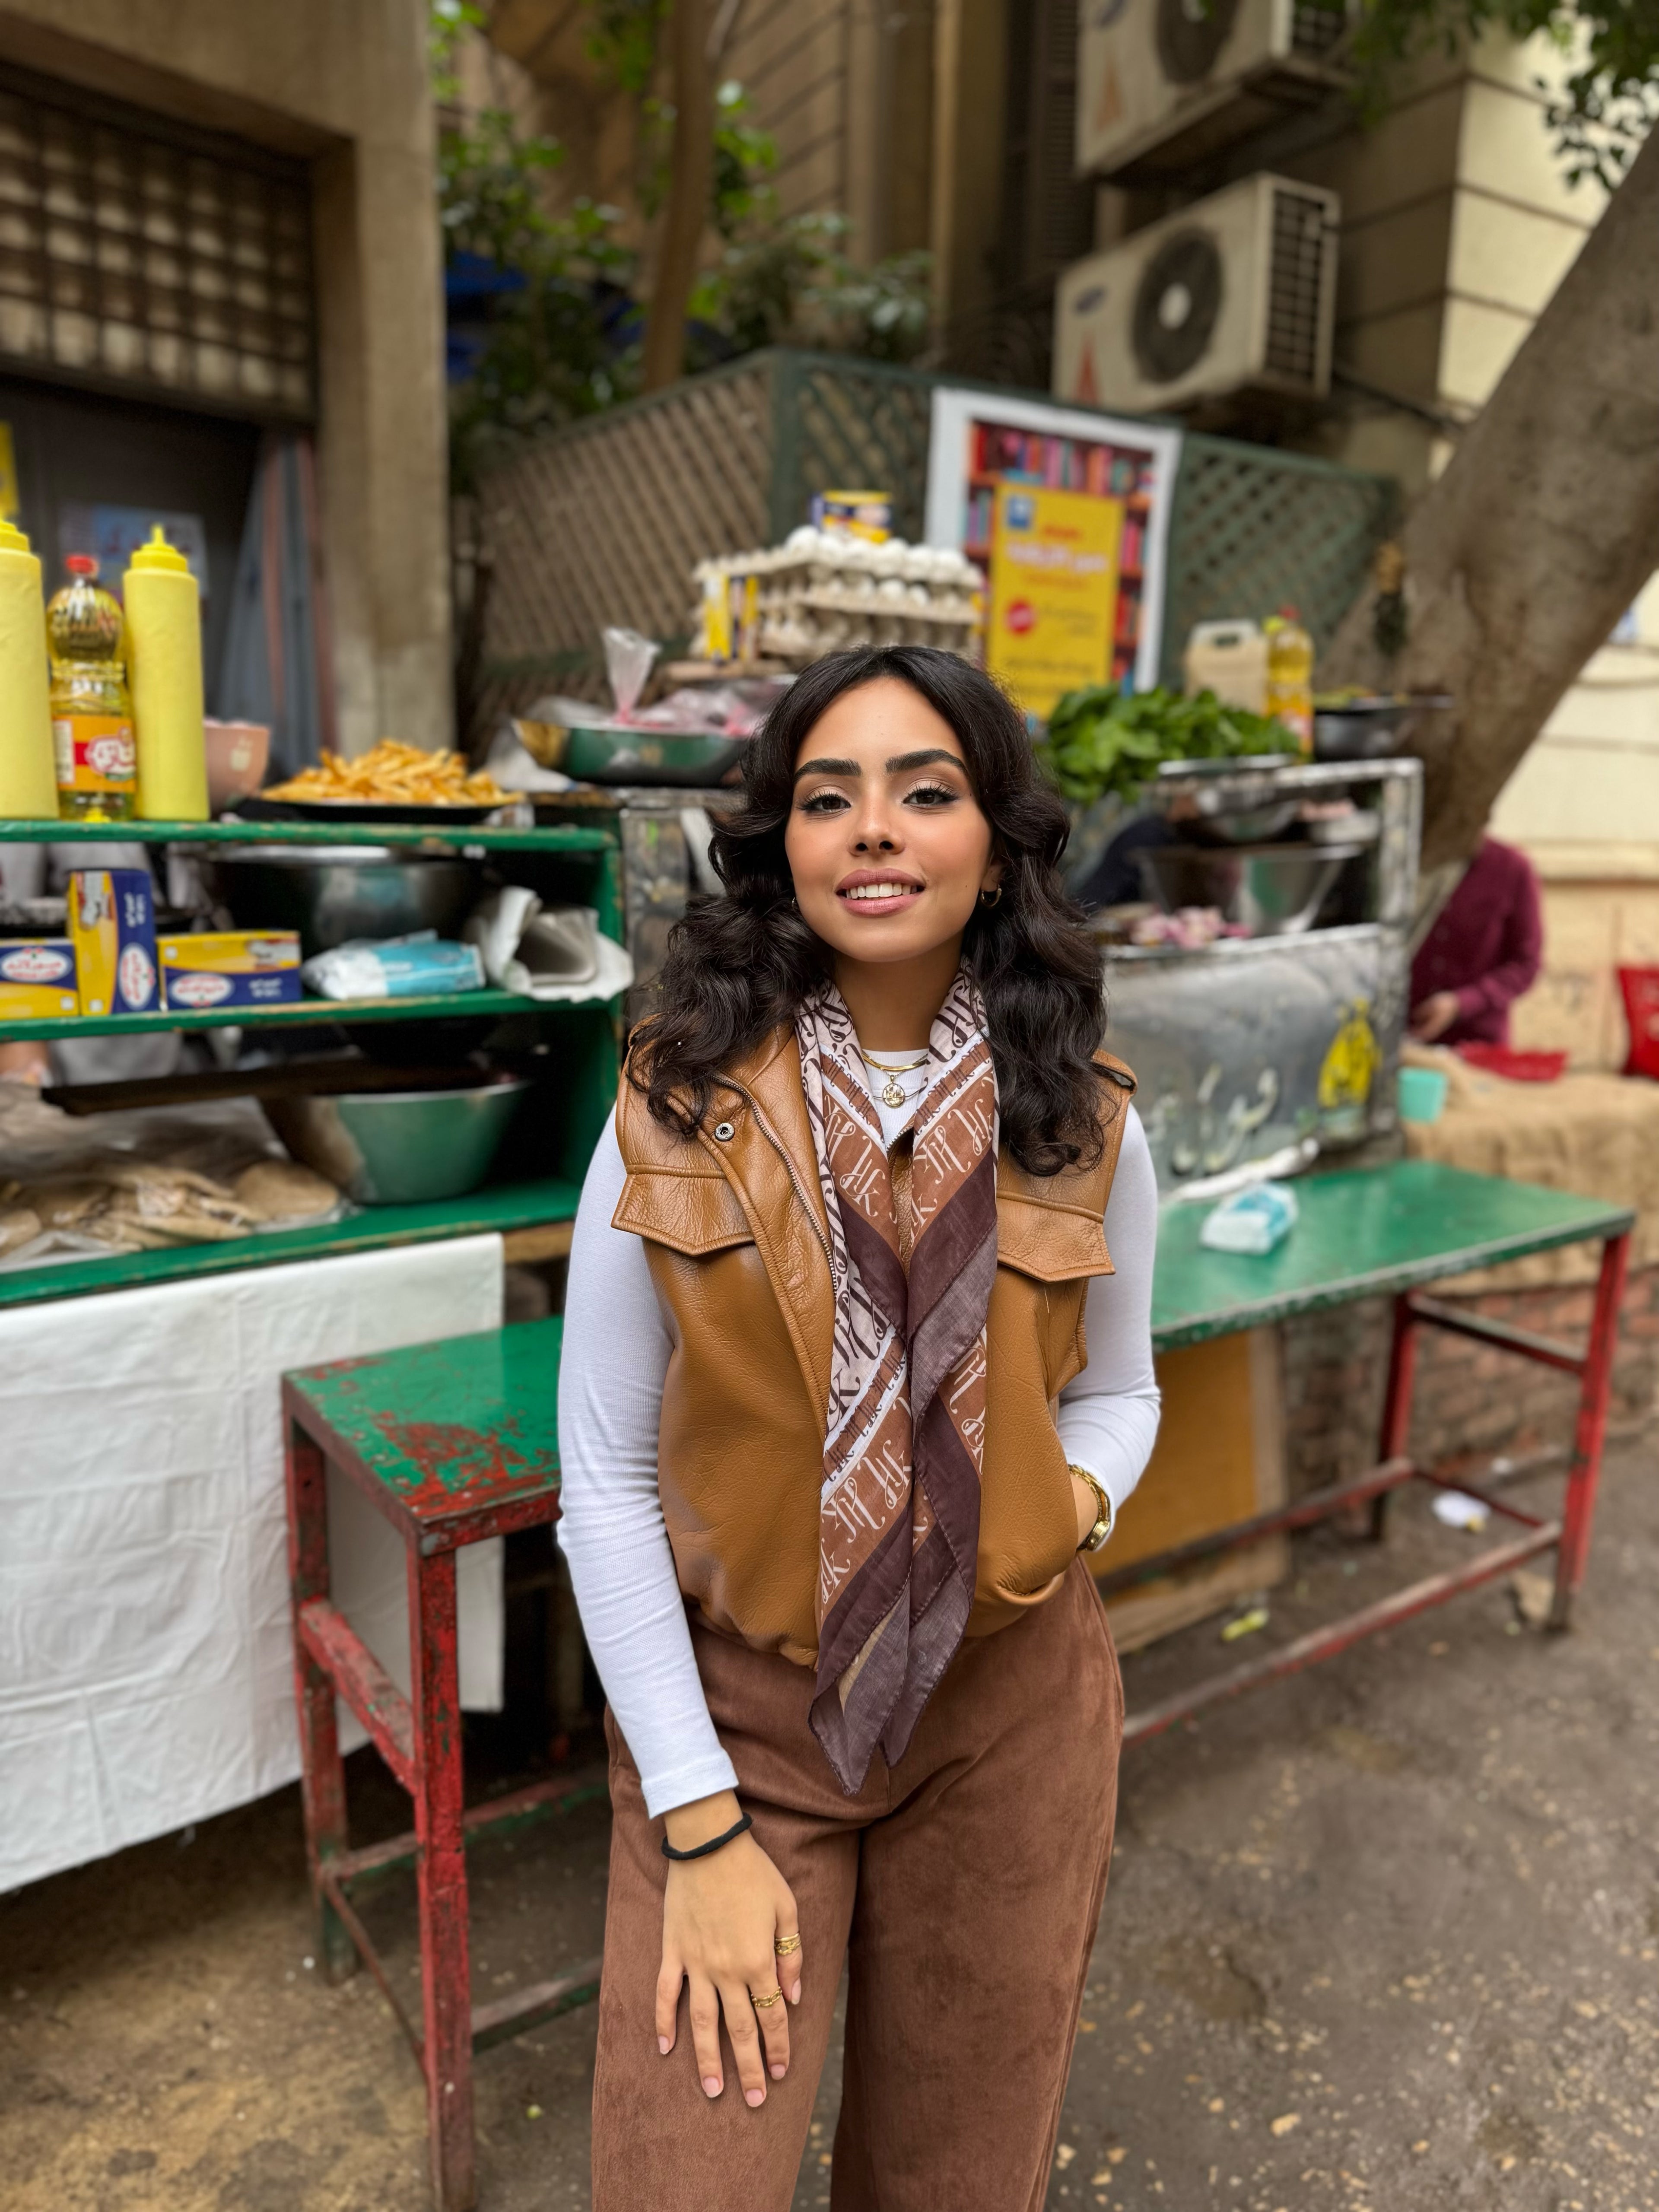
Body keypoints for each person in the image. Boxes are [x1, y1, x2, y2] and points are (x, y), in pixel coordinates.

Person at [557, 644, 1162, 2212]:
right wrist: (698, 1820)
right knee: (685, 2180)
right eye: (829, 797)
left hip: (1006, 1715)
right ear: (784, 844)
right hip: (744, 1727)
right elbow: (604, 1484)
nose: (874, 828)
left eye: (925, 790)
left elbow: (1121, 1388)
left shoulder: (1083, 1115)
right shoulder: (672, 1104)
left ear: (995, 844)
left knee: (955, 2175)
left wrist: (1065, 1509)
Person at [1410, 832, 1542, 1047]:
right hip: (1405, 1036)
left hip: (1477, 1041)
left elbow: (1526, 963)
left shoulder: (1512, 868)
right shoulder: (1404, 860)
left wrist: (1462, 1002)